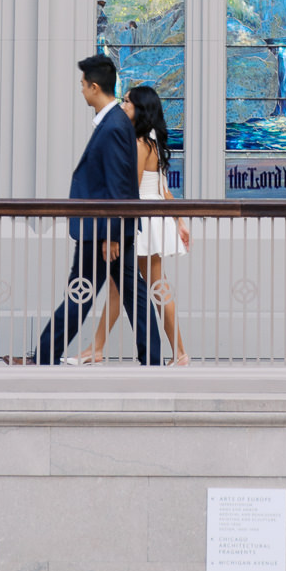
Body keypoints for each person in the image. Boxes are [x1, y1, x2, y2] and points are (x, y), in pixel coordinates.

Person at [30, 54, 163, 367]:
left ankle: (43, 357)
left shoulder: (114, 125)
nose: (80, 91)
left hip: (103, 232)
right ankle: (153, 361)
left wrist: (112, 235)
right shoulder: (114, 122)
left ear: (93, 87)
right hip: (107, 230)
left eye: (82, 86)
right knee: (132, 295)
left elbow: (119, 185)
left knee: (81, 293)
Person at [81, 83, 190, 366]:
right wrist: (179, 221)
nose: (122, 105)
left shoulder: (141, 143)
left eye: (127, 101)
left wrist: (114, 227)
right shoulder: (151, 141)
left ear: (140, 109)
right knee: (146, 285)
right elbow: (164, 189)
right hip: (152, 216)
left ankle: (177, 352)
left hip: (140, 218)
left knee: (148, 286)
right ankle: (176, 353)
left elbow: (131, 188)